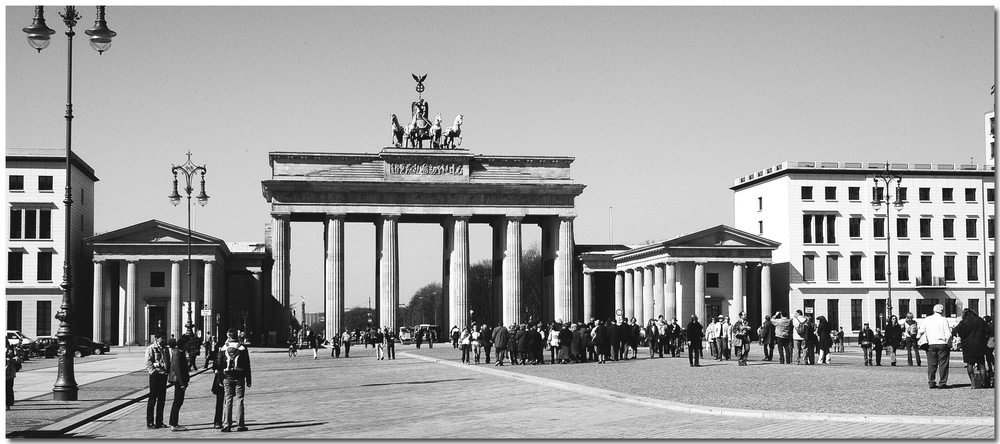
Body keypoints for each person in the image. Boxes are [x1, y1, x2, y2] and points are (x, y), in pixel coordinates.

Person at [217, 328, 252, 432]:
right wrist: (248, 379)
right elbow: (247, 365)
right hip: (239, 377)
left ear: (229, 336)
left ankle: (227, 425)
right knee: (240, 400)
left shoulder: (224, 348)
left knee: (228, 400)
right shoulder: (242, 348)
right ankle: (240, 425)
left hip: (227, 377)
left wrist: (219, 379)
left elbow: (219, 364)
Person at [951, 308, 990, 388]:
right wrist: (984, 338)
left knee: (970, 364)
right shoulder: (980, 320)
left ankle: (973, 381)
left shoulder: (963, 322)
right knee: (981, 364)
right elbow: (988, 330)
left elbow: (954, 331)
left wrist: (961, 336)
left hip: (967, 345)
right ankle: (984, 382)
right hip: (980, 344)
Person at [917, 304, 952, 389]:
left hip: (931, 344)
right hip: (942, 344)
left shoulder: (928, 319)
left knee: (932, 364)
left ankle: (931, 382)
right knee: (943, 364)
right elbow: (948, 334)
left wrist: (919, 338)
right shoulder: (943, 320)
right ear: (942, 311)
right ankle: (942, 382)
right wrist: (949, 344)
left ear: (933, 310)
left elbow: (921, 331)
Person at [145, 332, 170, 429]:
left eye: (164, 338)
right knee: (152, 400)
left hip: (163, 375)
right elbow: (148, 361)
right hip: (155, 376)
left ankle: (160, 421)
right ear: (157, 338)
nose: (164, 340)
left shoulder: (165, 349)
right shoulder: (151, 348)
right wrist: (153, 371)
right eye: (162, 338)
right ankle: (150, 422)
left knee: (161, 400)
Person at [167, 338, 190, 432]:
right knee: (177, 402)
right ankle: (173, 424)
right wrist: (181, 384)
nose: (189, 345)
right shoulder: (177, 353)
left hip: (180, 381)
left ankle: (174, 423)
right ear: (184, 344)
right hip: (178, 381)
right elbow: (178, 369)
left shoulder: (180, 352)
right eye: (188, 343)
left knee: (179, 402)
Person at [6, 346, 20, 410]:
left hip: (9, 373)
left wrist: (12, 359)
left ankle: (7, 404)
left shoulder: (12, 348)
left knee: (8, 389)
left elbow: (18, 359)